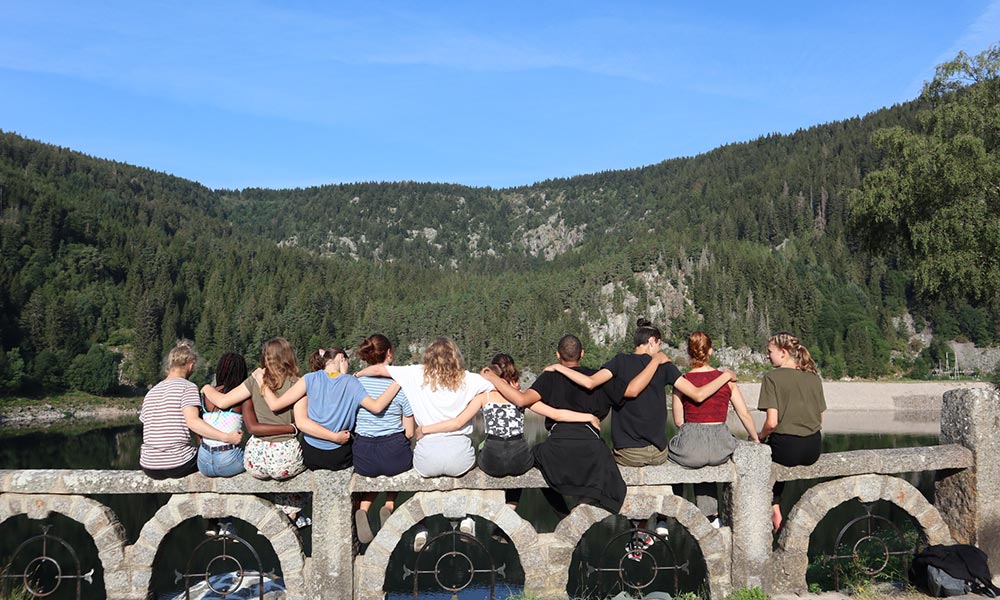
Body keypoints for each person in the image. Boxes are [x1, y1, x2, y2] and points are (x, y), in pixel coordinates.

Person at [418, 352, 599, 509]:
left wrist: (425, 429)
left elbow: (457, 423)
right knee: (525, 459)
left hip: (491, 461)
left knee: (479, 450)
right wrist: (588, 417)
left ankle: (491, 511)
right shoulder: (522, 398)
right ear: (512, 373)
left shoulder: (484, 397)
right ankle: (513, 507)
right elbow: (557, 414)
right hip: (519, 460)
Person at [548, 318, 734, 467]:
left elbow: (590, 382)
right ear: (652, 342)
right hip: (658, 454)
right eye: (659, 344)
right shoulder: (664, 365)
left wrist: (559, 368)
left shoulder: (619, 361)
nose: (660, 350)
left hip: (628, 454)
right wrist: (725, 376)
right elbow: (698, 394)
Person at [487, 335, 623, 514]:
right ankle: (579, 510)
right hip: (592, 450)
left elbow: (521, 400)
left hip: (556, 450)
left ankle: (553, 512)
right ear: (582, 353)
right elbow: (625, 398)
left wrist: (493, 378)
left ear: (558, 355)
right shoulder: (598, 378)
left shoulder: (549, 377)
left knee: (534, 458)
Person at [200, 338, 311, 527]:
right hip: (285, 456)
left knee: (272, 475)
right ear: (289, 356)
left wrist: (205, 388)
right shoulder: (298, 383)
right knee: (310, 471)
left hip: (255, 459)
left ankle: (276, 513)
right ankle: (292, 513)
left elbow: (224, 402)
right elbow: (301, 423)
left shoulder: (253, 381)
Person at [355, 337, 492, 478]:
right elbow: (495, 390)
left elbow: (378, 369)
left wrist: (357, 374)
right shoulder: (469, 378)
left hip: (426, 459)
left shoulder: (416, 373)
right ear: (455, 356)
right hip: (460, 458)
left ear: (428, 355)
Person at [260, 346, 401, 473]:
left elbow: (276, 405)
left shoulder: (309, 379)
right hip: (339, 457)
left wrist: (261, 381)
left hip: (311, 454)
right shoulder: (351, 383)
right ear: (341, 357)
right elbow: (376, 407)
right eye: (346, 361)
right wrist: (398, 382)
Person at [667, 332, 759, 525]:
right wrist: (755, 438)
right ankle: (711, 517)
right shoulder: (727, 380)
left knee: (673, 456)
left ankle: (665, 517)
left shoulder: (681, 382)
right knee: (706, 460)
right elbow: (744, 414)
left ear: (689, 353)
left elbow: (678, 421)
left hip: (691, 446)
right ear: (710, 351)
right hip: (721, 447)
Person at [141, 340, 241, 480]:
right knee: (209, 456)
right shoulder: (187, 387)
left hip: (149, 466)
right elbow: (193, 422)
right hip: (178, 464)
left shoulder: (152, 392)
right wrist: (226, 437)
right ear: (191, 364)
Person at [757, 331, 826, 531]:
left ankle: (774, 505)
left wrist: (759, 438)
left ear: (783, 352)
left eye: (770, 352)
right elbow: (820, 419)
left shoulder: (772, 378)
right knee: (778, 449)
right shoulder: (814, 378)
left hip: (787, 449)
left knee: (765, 453)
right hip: (813, 448)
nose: (768, 356)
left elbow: (771, 423)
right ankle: (776, 506)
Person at [354, 334, 414, 544]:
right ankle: (388, 505)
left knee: (375, 470)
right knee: (394, 466)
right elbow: (409, 432)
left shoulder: (356, 383)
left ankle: (363, 508)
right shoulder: (399, 386)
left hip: (364, 455)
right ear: (389, 353)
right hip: (393, 454)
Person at [197, 352, 249, 478]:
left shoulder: (206, 395)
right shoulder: (243, 398)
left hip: (203, 462)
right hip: (228, 462)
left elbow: (198, 431)